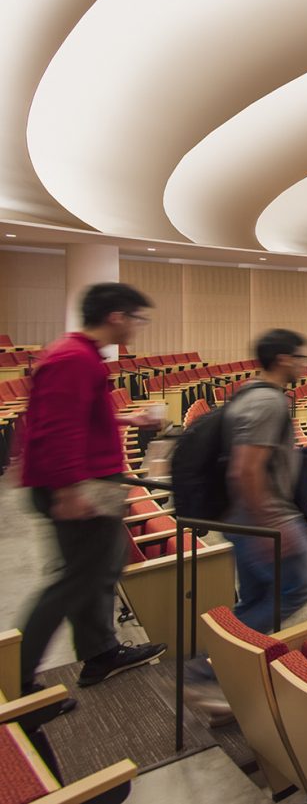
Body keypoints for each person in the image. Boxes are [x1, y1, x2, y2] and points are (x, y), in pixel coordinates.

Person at [17, 282, 168, 693]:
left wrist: (125, 422)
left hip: (88, 482)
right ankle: (18, 678)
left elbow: (75, 416)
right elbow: (54, 429)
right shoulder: (73, 359)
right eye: (136, 318)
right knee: (75, 580)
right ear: (116, 317)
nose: (138, 327)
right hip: (78, 486)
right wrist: (68, 492)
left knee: (99, 570)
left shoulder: (80, 356)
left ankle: (100, 653)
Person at [222, 329, 307, 630]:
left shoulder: (249, 393)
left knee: (255, 598)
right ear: (283, 359)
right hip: (263, 516)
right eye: (300, 358)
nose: (305, 366)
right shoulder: (268, 402)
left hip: (242, 515)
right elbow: (246, 469)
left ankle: (230, 659)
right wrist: (270, 524)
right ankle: (214, 663)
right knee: (300, 588)